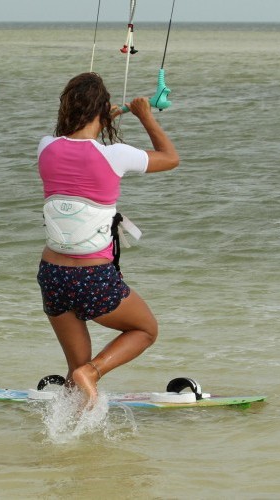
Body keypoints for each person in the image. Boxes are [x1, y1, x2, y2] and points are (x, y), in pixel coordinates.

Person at [36, 72, 179, 404]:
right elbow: (170, 158)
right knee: (145, 330)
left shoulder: (46, 147)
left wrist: (102, 116)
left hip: (52, 276)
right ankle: (94, 373)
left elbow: (76, 140)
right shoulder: (115, 155)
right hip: (92, 277)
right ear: (101, 111)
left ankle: (73, 427)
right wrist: (144, 115)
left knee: (75, 369)